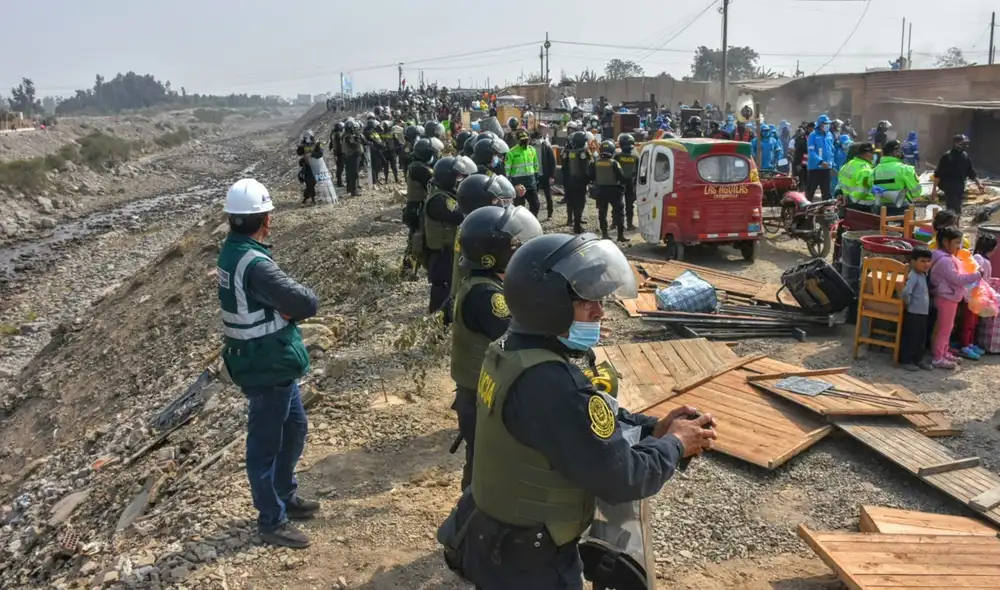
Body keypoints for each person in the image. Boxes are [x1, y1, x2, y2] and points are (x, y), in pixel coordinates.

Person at [437, 233, 717, 589]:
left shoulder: (509, 349)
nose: (600, 312)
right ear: (548, 305)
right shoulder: (553, 383)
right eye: (588, 303)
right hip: (531, 564)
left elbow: (584, 422)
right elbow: (624, 478)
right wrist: (676, 443)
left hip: (491, 534)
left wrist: (652, 429)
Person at [217, 179, 320, 548]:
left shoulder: (233, 252)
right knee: (264, 448)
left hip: (268, 363)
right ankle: (271, 520)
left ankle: (284, 494)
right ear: (265, 220)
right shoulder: (254, 263)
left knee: (294, 428)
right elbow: (306, 302)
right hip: (267, 365)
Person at [449, 205, 544, 490]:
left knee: (480, 463)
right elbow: (520, 337)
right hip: (482, 397)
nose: (521, 251)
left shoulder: (482, 283)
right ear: (495, 254)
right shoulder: (487, 296)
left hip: (479, 391)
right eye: (516, 246)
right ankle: (467, 523)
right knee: (485, 471)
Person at [423, 156, 478, 313]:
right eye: (458, 176)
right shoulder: (439, 200)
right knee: (443, 288)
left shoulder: (445, 193)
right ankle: (437, 323)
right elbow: (459, 216)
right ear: (448, 177)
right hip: (441, 254)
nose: (460, 180)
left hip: (446, 252)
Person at [451, 173, 518, 302]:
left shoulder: (470, 226)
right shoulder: (478, 233)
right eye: (495, 200)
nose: (501, 204)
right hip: (475, 295)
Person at [929, 227, 982, 369]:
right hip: (946, 298)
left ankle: (944, 352)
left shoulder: (941, 255)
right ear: (946, 242)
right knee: (944, 329)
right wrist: (977, 274)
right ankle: (938, 357)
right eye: (957, 243)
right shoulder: (945, 261)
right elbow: (957, 279)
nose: (959, 247)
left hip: (949, 297)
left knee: (948, 327)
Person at [957, 233, 997, 359]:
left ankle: (970, 343)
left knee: (974, 323)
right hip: (972, 297)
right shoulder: (979, 259)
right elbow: (976, 278)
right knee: (968, 323)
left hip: (979, 297)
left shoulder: (983, 259)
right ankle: (964, 346)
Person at [899, 247, 934, 371]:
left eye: (928, 261)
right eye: (922, 261)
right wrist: (908, 305)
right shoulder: (913, 275)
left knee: (921, 338)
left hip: (922, 313)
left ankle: (918, 359)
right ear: (913, 262)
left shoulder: (923, 275)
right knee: (911, 337)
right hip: (914, 312)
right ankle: (905, 360)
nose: (926, 264)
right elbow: (905, 292)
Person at [932, 134, 983, 216]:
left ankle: (954, 225)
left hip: (960, 187)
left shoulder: (965, 156)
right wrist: (934, 191)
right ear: (956, 143)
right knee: (953, 210)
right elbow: (937, 174)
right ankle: (952, 226)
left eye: (966, 143)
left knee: (957, 209)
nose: (965, 146)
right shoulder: (947, 157)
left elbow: (971, 172)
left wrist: (979, 184)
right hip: (949, 187)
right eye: (963, 143)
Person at [589, 139, 629, 243]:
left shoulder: (595, 163)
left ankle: (605, 234)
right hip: (614, 191)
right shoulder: (614, 163)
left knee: (602, 213)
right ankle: (620, 236)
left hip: (600, 191)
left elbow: (591, 177)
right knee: (619, 213)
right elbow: (621, 177)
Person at [872, 140, 921, 216]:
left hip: (881, 209)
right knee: (907, 227)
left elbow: (871, 188)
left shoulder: (875, 170)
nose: (901, 152)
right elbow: (916, 192)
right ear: (895, 152)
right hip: (903, 209)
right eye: (900, 150)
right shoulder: (906, 169)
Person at [561, 131, 592, 234]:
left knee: (571, 201)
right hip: (580, 182)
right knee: (580, 203)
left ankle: (571, 220)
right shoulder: (584, 152)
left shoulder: (567, 151)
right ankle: (577, 226)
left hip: (569, 181)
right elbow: (590, 164)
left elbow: (563, 166)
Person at [506, 129, 541, 216]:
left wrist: (536, 177)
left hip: (531, 183)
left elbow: (535, 164)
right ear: (518, 140)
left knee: (536, 205)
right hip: (518, 184)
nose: (525, 141)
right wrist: (510, 183)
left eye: (526, 139)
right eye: (523, 140)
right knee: (519, 207)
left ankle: (532, 221)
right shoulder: (511, 152)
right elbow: (507, 169)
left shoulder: (532, 150)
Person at [837, 142, 876, 212]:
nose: (873, 156)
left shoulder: (848, 164)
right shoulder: (866, 170)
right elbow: (862, 191)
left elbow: (840, 182)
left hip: (845, 203)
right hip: (862, 207)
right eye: (873, 153)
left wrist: (845, 198)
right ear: (867, 154)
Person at [614, 133, 639, 231]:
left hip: (619, 183)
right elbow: (639, 170)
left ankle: (616, 223)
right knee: (629, 205)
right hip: (631, 183)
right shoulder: (635, 156)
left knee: (617, 204)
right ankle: (629, 225)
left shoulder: (617, 156)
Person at [806, 115, 834, 202]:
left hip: (826, 169)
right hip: (815, 169)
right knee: (810, 192)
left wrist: (832, 163)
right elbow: (811, 152)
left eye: (828, 124)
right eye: (825, 124)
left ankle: (826, 213)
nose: (827, 126)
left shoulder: (829, 135)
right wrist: (821, 161)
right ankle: (803, 212)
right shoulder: (813, 135)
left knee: (827, 194)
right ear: (820, 125)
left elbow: (831, 150)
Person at [533, 131, 557, 220]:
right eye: (534, 139)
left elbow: (553, 162)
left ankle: (550, 214)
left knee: (548, 196)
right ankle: (535, 214)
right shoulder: (531, 148)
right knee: (534, 196)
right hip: (535, 175)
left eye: (537, 139)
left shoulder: (547, 148)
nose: (536, 141)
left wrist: (552, 176)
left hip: (545, 175)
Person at [342, 119, 363, 196]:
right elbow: (354, 145)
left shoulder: (345, 135)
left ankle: (350, 190)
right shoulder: (349, 136)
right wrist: (358, 139)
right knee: (354, 174)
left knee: (350, 174)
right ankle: (354, 191)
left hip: (348, 156)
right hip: (352, 157)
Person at [363, 119, 385, 186]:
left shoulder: (373, 131)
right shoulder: (369, 132)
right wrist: (381, 145)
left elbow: (378, 138)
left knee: (379, 165)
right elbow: (375, 140)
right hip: (373, 151)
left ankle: (376, 179)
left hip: (377, 151)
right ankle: (374, 181)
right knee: (374, 166)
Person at [328, 121, 345, 188]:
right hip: (340, 153)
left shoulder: (333, 134)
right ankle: (339, 182)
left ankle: (339, 181)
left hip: (336, 153)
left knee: (339, 167)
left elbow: (331, 144)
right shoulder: (338, 135)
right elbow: (340, 144)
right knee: (340, 168)